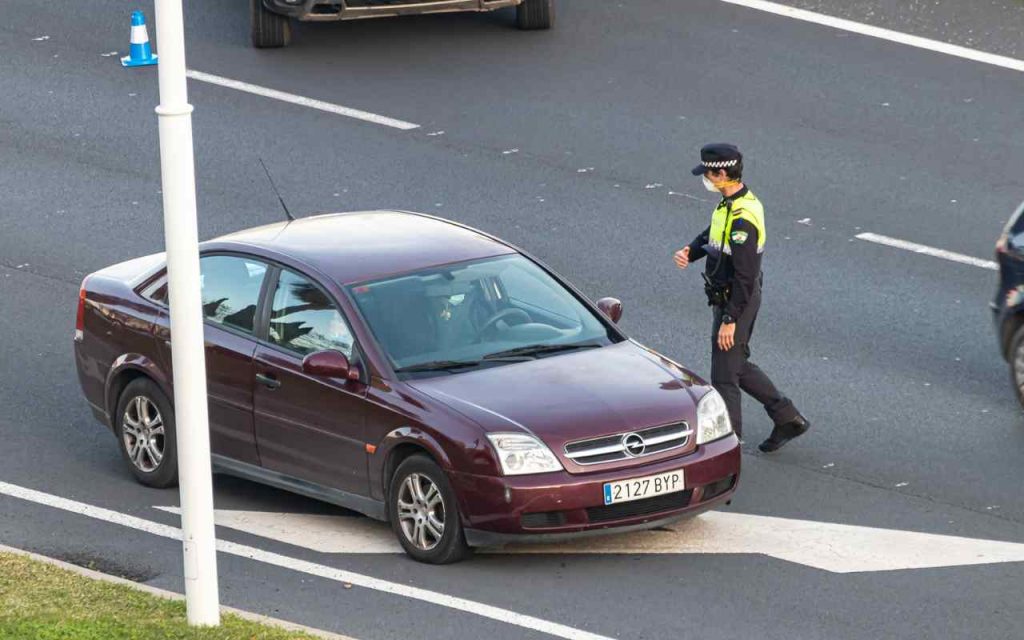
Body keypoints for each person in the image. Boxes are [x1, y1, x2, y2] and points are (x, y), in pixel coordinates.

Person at [674, 143, 810, 453]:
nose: (705, 178)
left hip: (737, 300)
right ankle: (787, 417)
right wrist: (691, 251)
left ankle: (727, 448)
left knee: (724, 377)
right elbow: (713, 232)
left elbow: (746, 277)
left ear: (722, 173)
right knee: (736, 364)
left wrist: (729, 319)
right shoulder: (731, 204)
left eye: (708, 173)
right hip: (727, 298)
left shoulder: (744, 217)